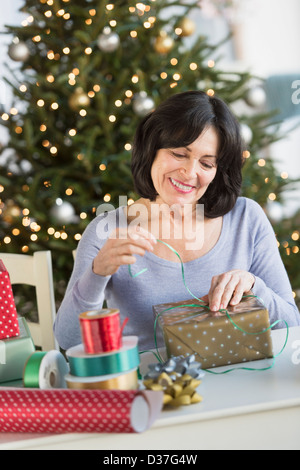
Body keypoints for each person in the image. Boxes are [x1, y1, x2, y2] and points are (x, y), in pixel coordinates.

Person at [53, 90, 300, 352]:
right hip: (155, 388)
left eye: (206, 164)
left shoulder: (246, 218)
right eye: (179, 154)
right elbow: (69, 341)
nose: (189, 172)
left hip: (241, 378)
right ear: (152, 150)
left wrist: (253, 286)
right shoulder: (107, 231)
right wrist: (97, 272)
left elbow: (292, 325)